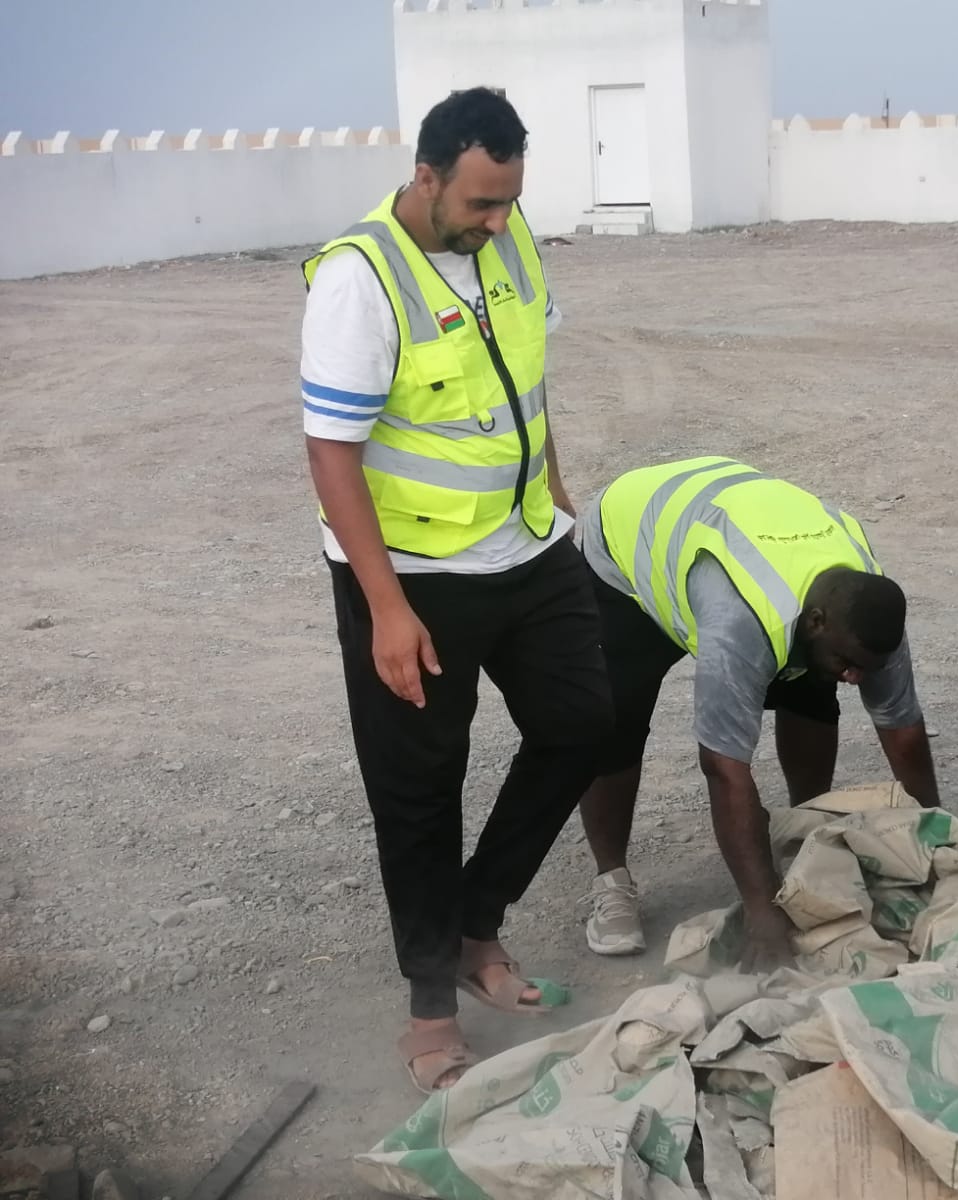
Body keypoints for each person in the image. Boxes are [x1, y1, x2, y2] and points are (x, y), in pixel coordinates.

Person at [300, 88, 612, 1093]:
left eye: (509, 200)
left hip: (527, 547)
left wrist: (555, 492)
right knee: (419, 790)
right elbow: (332, 450)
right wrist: (386, 609)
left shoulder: (509, 242)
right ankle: (431, 1009)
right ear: (426, 177)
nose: (497, 222)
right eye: (480, 203)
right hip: (413, 577)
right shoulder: (360, 278)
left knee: (583, 723)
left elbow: (527, 382)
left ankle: (478, 925)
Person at [574, 457, 940, 968]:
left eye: (866, 668)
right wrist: (761, 910)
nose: (857, 676)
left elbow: (903, 730)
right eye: (850, 663)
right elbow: (724, 769)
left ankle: (803, 836)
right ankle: (611, 880)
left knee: (813, 689)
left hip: (731, 522)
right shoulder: (740, 624)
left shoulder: (867, 618)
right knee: (616, 720)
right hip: (628, 543)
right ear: (815, 621)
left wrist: (935, 842)